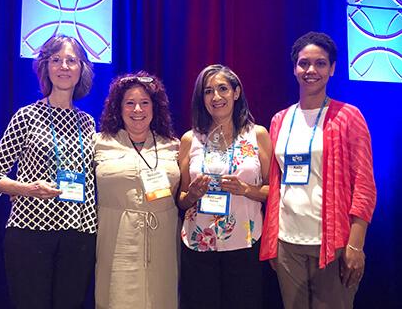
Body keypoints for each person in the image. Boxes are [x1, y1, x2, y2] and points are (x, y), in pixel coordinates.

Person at [260, 31, 377, 309]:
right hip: (287, 240)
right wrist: (272, 240)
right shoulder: (279, 120)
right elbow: (276, 183)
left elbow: (364, 185)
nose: (311, 70)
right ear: (294, 68)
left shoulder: (348, 116)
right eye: (304, 63)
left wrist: (355, 244)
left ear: (333, 68)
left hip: (333, 243)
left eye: (320, 63)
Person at [0, 35, 96, 309]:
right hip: (31, 231)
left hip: (80, 234)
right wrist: (27, 189)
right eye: (56, 60)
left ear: (81, 68)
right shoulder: (26, 116)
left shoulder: (88, 123)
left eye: (71, 60)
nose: (64, 66)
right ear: (45, 67)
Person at [178, 64, 272, 309]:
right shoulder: (191, 139)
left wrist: (246, 190)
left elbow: (274, 191)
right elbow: (182, 198)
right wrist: (193, 195)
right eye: (208, 91)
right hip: (199, 244)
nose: (216, 97)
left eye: (223, 89)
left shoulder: (257, 135)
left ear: (236, 92)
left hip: (245, 243)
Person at [94, 71, 180, 309]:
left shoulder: (173, 145)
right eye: (129, 103)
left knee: (161, 299)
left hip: (163, 240)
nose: (138, 110)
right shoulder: (99, 142)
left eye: (144, 103)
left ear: (155, 107)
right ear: (118, 108)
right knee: (116, 298)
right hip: (116, 238)